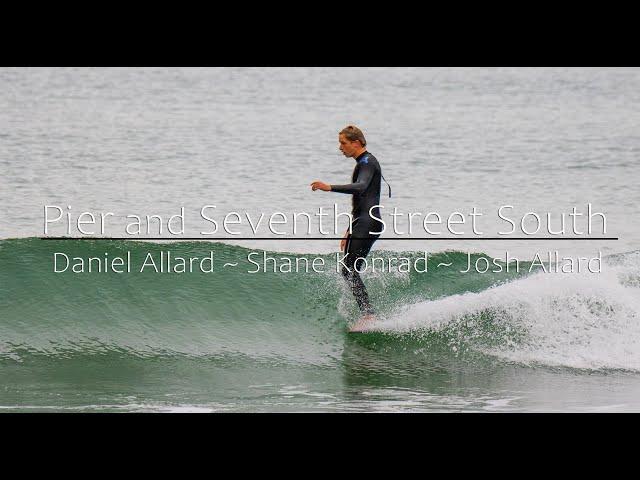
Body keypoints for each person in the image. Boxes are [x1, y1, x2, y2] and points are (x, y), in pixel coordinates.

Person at [310, 125, 390, 332]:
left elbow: (362, 187)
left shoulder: (367, 162)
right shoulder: (363, 162)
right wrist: (349, 230)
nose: (340, 147)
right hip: (363, 222)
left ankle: (369, 315)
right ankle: (368, 314)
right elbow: (361, 201)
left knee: (348, 270)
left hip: (368, 222)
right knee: (348, 270)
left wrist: (330, 187)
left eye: (343, 143)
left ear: (356, 143)